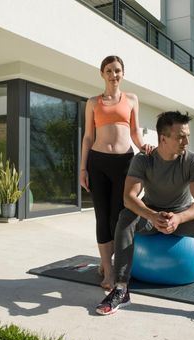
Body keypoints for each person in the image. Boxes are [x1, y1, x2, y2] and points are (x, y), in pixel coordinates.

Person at [95, 111, 194, 328]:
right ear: (163, 138)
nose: (187, 141)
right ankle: (121, 289)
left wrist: (179, 218)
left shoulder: (192, 160)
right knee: (125, 216)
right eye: (180, 136)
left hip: (180, 215)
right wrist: (152, 215)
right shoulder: (143, 160)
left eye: (187, 135)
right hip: (151, 214)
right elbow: (129, 197)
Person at [80, 55, 154, 290]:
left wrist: (144, 147)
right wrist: (83, 168)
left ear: (123, 73)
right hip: (98, 162)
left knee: (118, 218)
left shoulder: (131, 99)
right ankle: (109, 271)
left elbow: (134, 132)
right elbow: (88, 137)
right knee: (102, 217)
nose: (114, 75)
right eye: (109, 71)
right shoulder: (93, 102)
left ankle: (110, 261)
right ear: (102, 74)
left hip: (125, 163)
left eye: (118, 70)